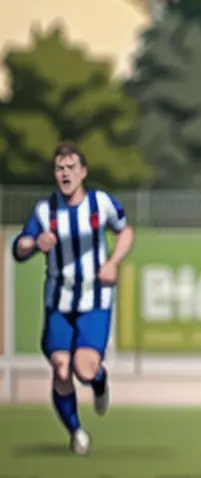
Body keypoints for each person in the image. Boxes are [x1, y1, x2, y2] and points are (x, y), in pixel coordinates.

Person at [10, 143, 134, 455]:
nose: (65, 174)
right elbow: (20, 247)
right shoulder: (45, 211)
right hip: (59, 303)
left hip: (94, 301)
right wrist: (34, 243)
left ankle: (99, 380)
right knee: (62, 369)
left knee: (84, 369)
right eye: (59, 169)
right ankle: (76, 430)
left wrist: (112, 263)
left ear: (83, 172)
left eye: (70, 168)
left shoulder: (99, 203)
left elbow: (125, 230)